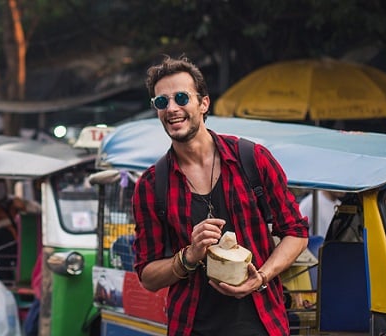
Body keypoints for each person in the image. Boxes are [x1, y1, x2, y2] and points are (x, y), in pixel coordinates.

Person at [132, 55, 309, 336]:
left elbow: (296, 233)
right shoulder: (152, 185)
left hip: (262, 323)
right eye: (162, 102)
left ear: (203, 103)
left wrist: (261, 277)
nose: (172, 109)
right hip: (192, 326)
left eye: (181, 97)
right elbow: (148, 276)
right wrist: (189, 256)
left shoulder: (253, 159)